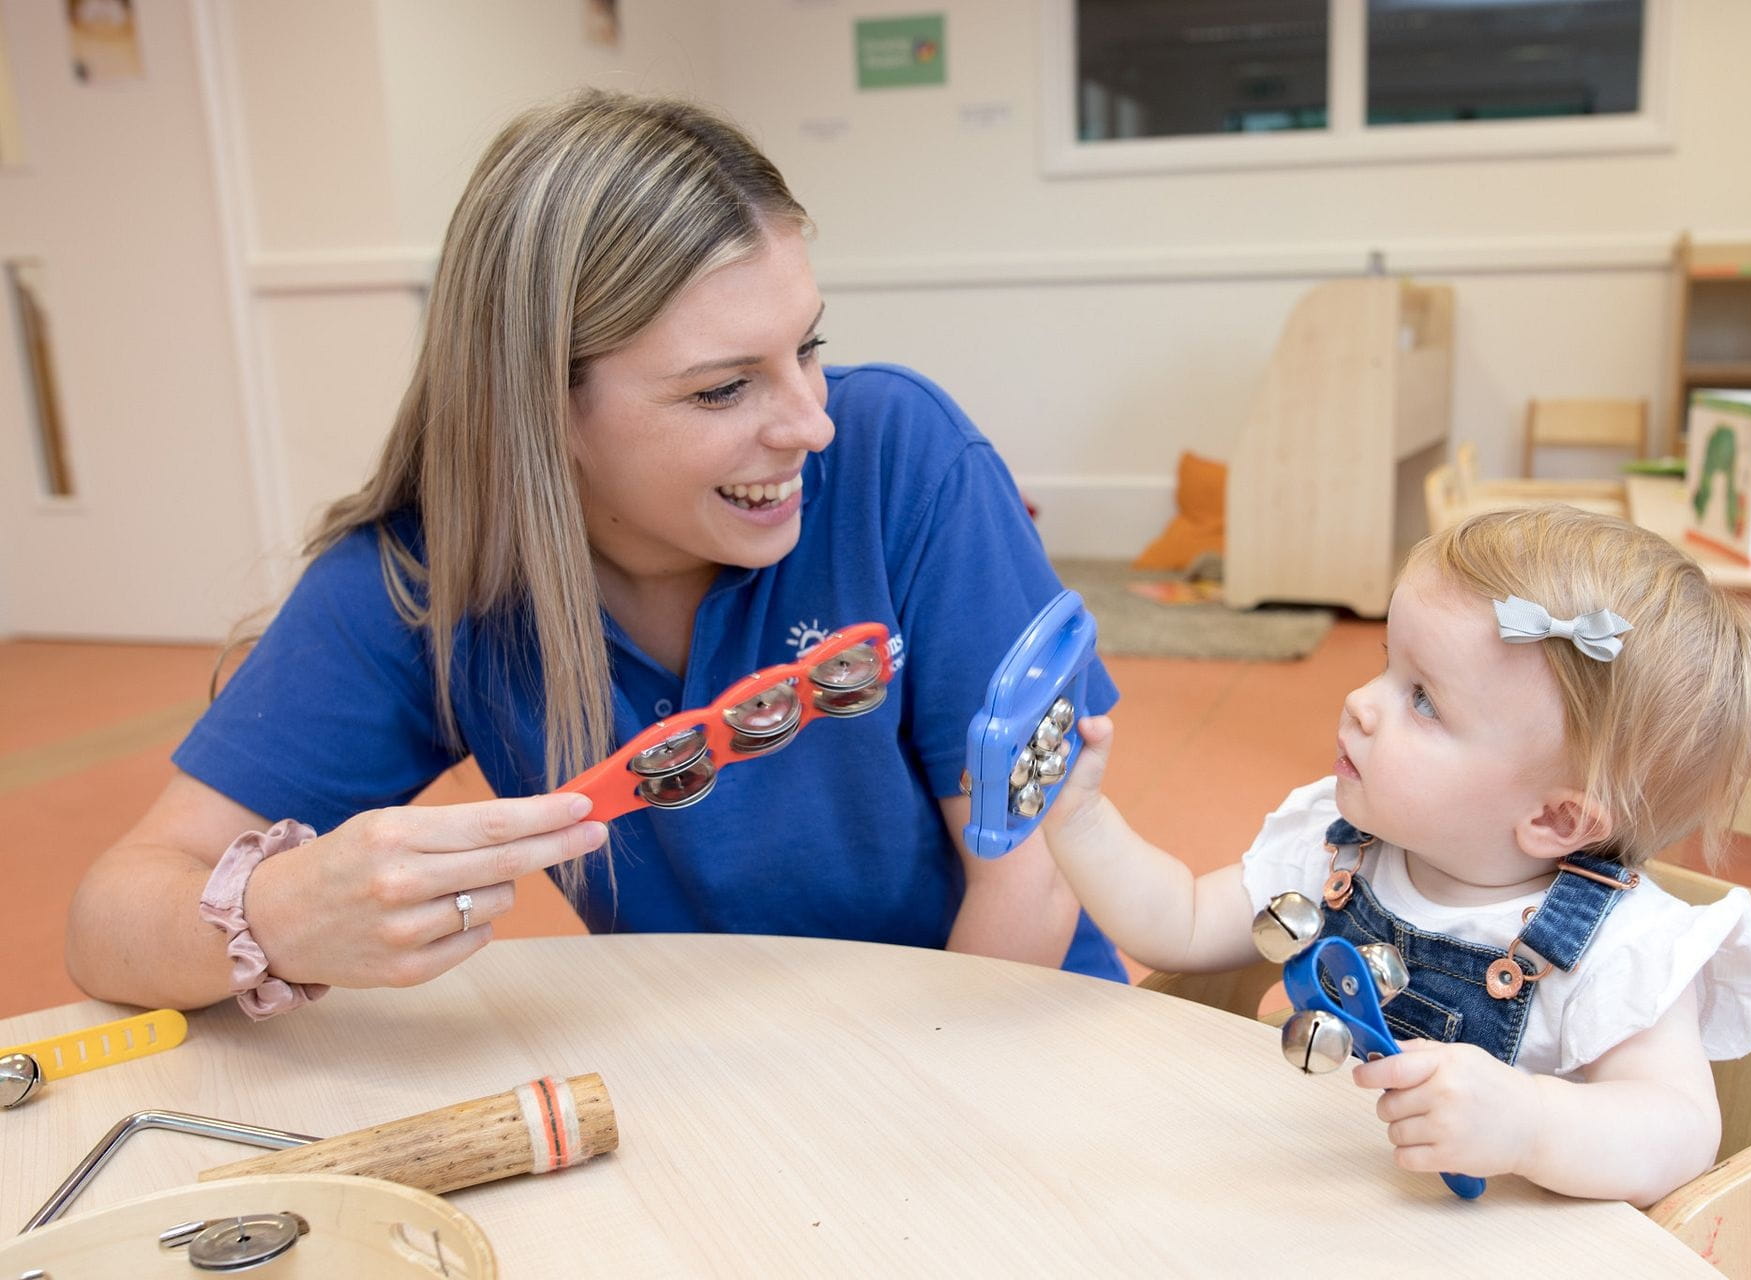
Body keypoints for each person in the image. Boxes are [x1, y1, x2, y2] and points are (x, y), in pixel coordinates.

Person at [66, 90, 1124, 1015]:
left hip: (1003, 1043)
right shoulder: (426, 581)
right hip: (730, 1082)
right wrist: (279, 914)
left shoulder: (905, 454)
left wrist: (889, 1147)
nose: (812, 424)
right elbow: (109, 918)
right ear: (540, 409)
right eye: (723, 388)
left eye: (808, 347)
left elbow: (1027, 880)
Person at [1036, 505, 1751, 1207]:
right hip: (1308, 1200)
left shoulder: (1621, 951)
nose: (1362, 701)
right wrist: (1082, 822)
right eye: (1388, 663)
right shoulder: (1338, 849)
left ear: (1556, 816)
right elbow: (1183, 924)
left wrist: (1529, 1124)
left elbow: (1681, 1131)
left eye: (1424, 699)